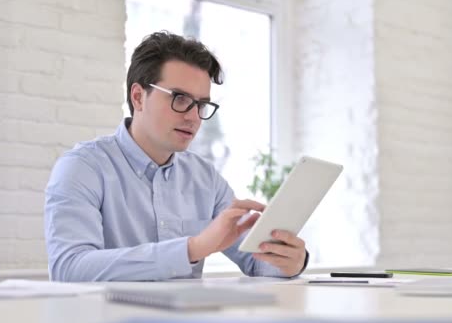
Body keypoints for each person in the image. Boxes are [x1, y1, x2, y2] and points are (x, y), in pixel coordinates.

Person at [44, 31, 308, 282]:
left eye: (201, 104)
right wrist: (191, 249)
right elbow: (69, 268)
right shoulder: (82, 168)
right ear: (138, 97)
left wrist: (291, 260)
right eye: (180, 98)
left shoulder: (205, 179)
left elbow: (256, 261)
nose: (193, 117)